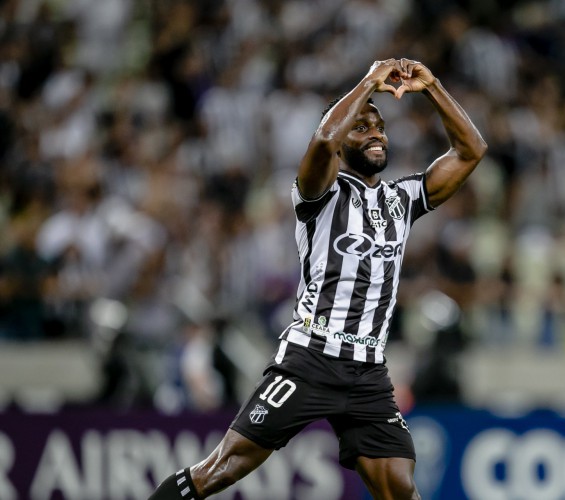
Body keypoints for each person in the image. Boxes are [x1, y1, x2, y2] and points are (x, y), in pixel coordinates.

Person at [149, 57, 487, 500]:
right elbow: (325, 138)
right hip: (310, 360)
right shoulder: (318, 195)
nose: (376, 134)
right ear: (345, 138)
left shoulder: (401, 200)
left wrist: (433, 86)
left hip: (368, 372)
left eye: (380, 126)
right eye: (362, 127)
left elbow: (471, 151)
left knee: (399, 489)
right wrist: (370, 80)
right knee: (222, 469)